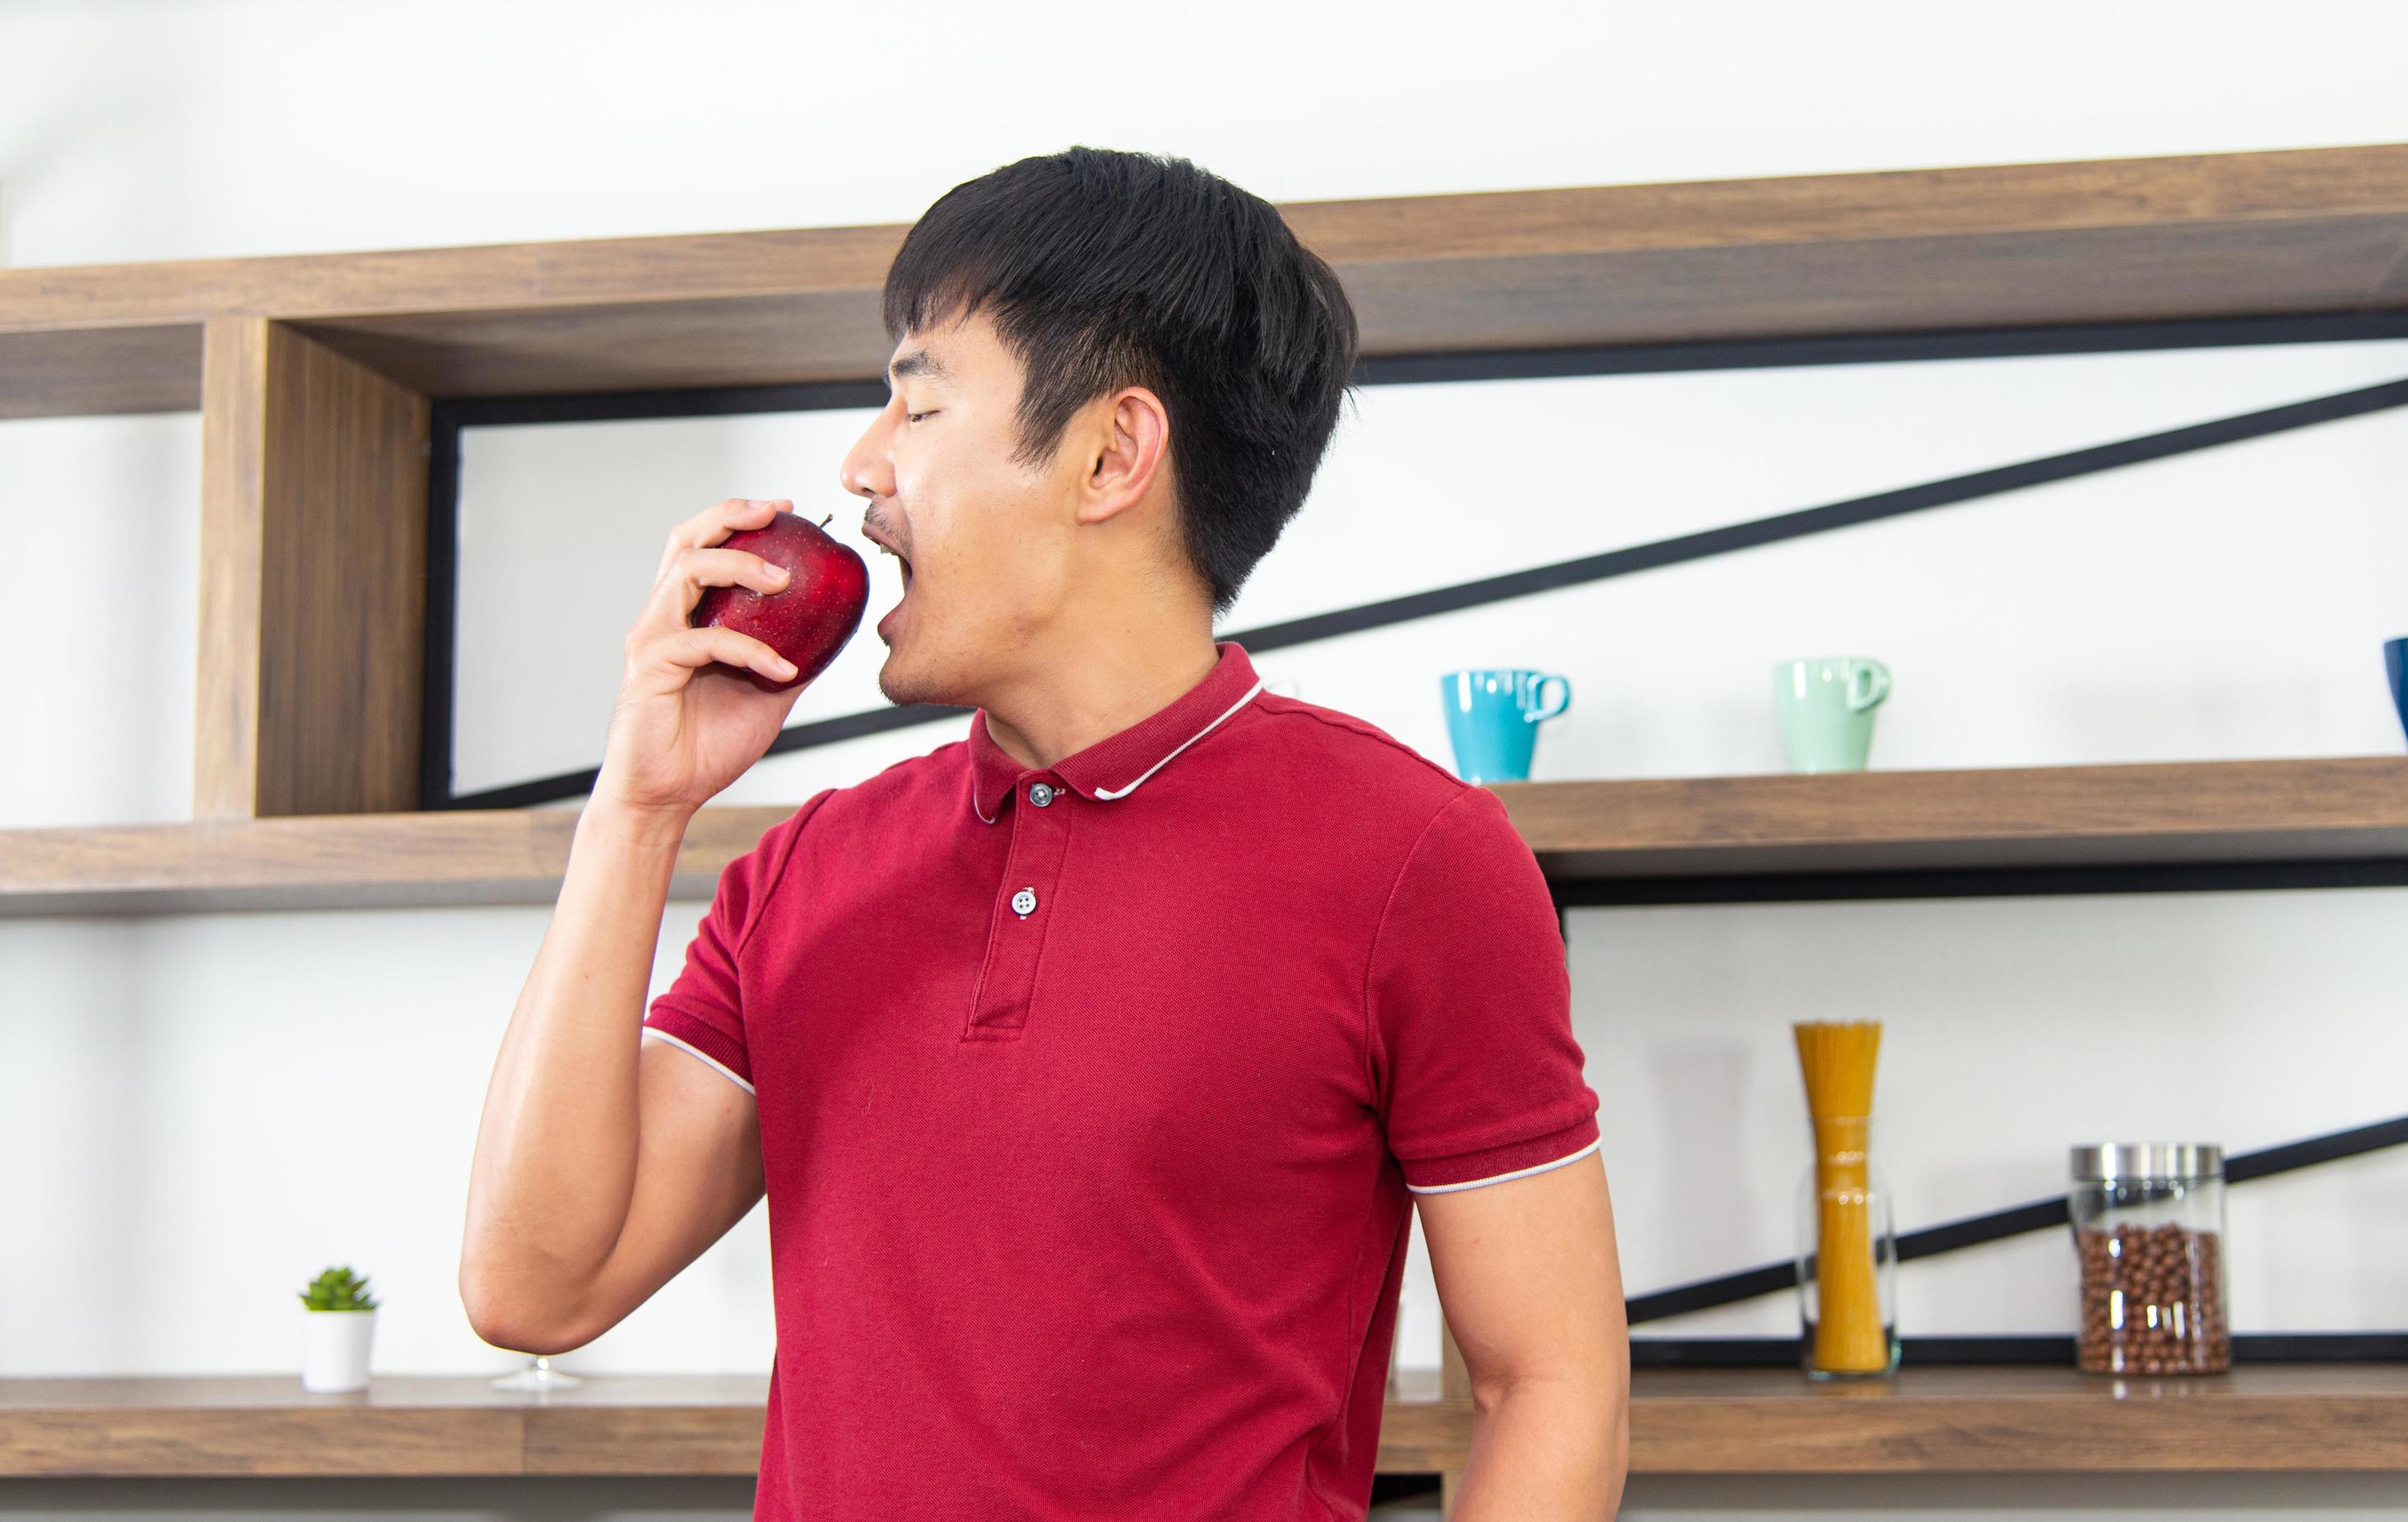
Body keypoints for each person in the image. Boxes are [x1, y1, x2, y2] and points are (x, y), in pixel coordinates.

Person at [461, 147, 1628, 1519]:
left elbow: (1551, 1382)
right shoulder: (803, 874)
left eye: (917, 401)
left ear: (1109, 453)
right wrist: (637, 806)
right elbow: (535, 1288)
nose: (859, 464)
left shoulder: (1414, 858)